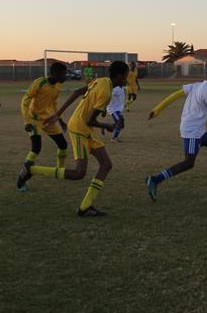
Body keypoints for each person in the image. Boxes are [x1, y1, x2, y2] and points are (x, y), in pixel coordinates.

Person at [17, 61, 129, 218]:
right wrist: (108, 126)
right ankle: (32, 170)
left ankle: (85, 207)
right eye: (125, 76)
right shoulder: (106, 92)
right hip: (79, 128)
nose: (126, 80)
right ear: (119, 75)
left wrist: (58, 114)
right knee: (78, 173)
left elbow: (78, 92)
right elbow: (90, 120)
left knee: (106, 164)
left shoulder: (101, 81)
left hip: (85, 128)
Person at [145, 65, 207, 201]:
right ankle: (155, 179)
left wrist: (157, 110)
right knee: (189, 162)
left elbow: (176, 95)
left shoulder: (197, 85)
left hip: (198, 130)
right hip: (192, 131)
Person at [16, 62, 68, 192]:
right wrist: (27, 121)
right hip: (34, 120)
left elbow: (54, 103)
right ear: (55, 74)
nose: (65, 76)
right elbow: (25, 100)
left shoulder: (58, 85)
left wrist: (60, 119)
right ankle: (22, 177)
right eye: (63, 74)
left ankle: (60, 170)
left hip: (48, 120)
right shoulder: (40, 83)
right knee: (36, 147)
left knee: (63, 145)